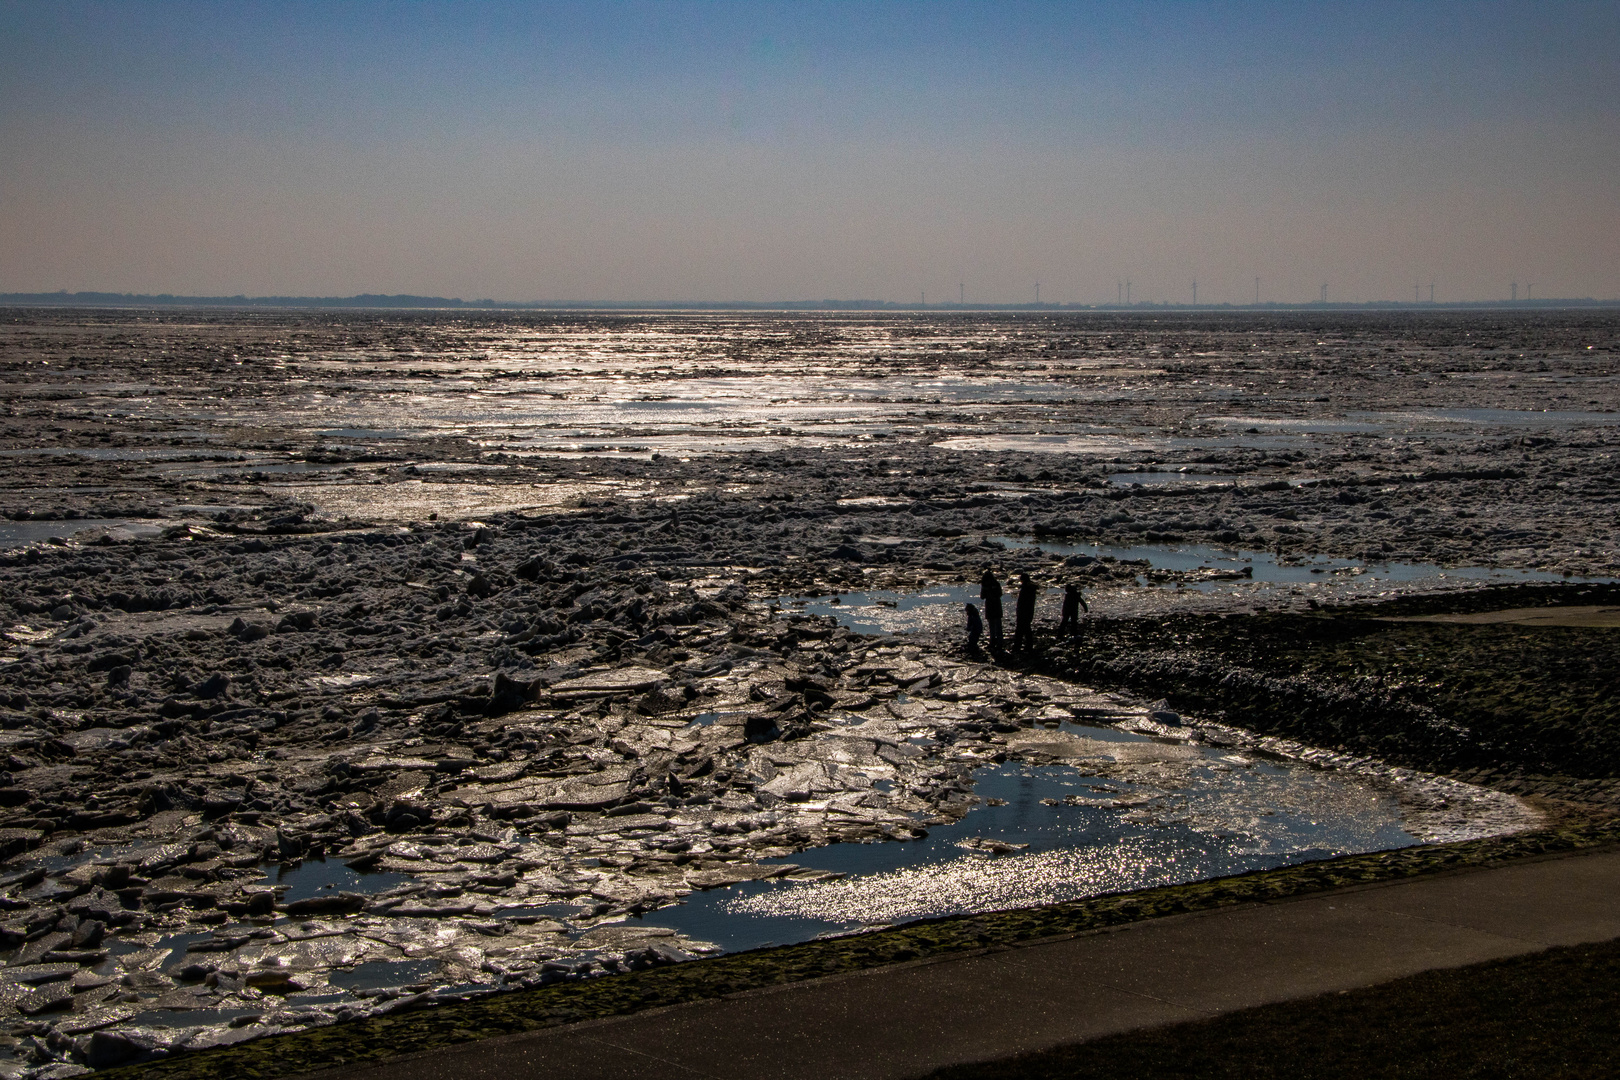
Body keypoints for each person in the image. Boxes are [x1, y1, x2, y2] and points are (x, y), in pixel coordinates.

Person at [979, 569, 1003, 651]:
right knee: (997, 626)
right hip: (996, 606)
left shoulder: (986, 585)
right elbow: (999, 594)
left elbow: (982, 597)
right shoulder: (996, 584)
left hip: (990, 607)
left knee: (993, 626)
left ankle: (994, 642)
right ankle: (999, 642)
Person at [1013, 572, 1038, 651]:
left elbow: (1022, 602)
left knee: (1020, 629)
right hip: (1029, 611)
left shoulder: (1025, 589)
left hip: (1023, 611)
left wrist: (1019, 610)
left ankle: (1018, 645)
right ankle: (1028, 645)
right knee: (1027, 628)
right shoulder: (1031, 588)